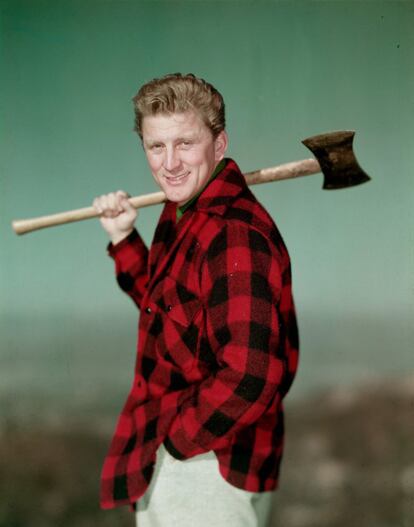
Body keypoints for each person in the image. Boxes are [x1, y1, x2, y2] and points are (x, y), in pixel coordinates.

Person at [93, 73, 299, 527]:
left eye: (185, 143)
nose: (170, 164)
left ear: (219, 144)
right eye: (155, 146)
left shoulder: (234, 235)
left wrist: (175, 442)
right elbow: (165, 311)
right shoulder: (183, 211)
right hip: (191, 459)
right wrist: (124, 237)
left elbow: (252, 374)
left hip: (208, 469)